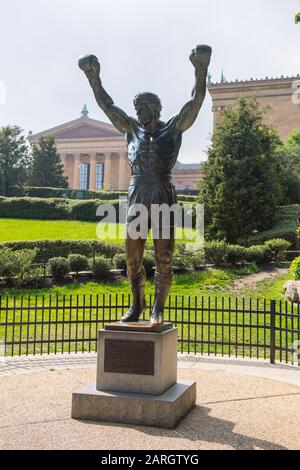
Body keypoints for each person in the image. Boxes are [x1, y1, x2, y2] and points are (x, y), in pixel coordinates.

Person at [79, 45, 211, 326]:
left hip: (162, 192)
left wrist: (201, 69)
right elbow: (107, 105)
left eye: (141, 108)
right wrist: (94, 78)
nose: (137, 112)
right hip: (138, 193)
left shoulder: (173, 128)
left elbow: (196, 102)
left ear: (153, 108)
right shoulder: (131, 130)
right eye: (136, 108)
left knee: (164, 257)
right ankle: (137, 304)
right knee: (132, 259)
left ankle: (157, 310)